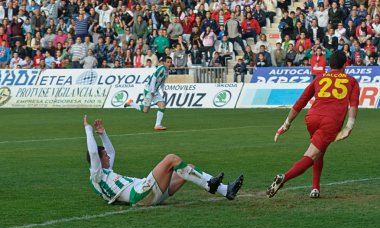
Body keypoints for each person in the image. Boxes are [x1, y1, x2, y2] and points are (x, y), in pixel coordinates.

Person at [84, 116, 244, 206]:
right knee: (171, 159)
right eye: (104, 156)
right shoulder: (96, 175)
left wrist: (103, 134)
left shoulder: (104, 173)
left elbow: (111, 151)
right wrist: (88, 130)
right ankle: (210, 185)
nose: (108, 157)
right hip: (140, 195)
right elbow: (93, 151)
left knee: (189, 168)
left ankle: (225, 190)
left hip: (148, 193)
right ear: (97, 160)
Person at [266, 51, 360, 199]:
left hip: (312, 118)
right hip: (330, 121)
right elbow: (353, 105)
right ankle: (283, 177)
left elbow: (301, 102)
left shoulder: (319, 78)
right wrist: (349, 126)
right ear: (344, 65)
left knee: (319, 151)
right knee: (312, 155)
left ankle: (315, 188)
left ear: (329, 65)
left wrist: (286, 124)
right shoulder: (352, 81)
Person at [124, 56, 172, 131]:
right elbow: (153, 78)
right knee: (145, 110)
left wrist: (163, 90)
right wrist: (152, 91)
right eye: (168, 62)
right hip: (149, 90)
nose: (169, 64)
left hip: (155, 91)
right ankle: (131, 103)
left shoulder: (167, 71)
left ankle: (157, 125)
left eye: (170, 62)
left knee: (162, 105)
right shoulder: (161, 68)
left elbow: (162, 81)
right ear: (164, 62)